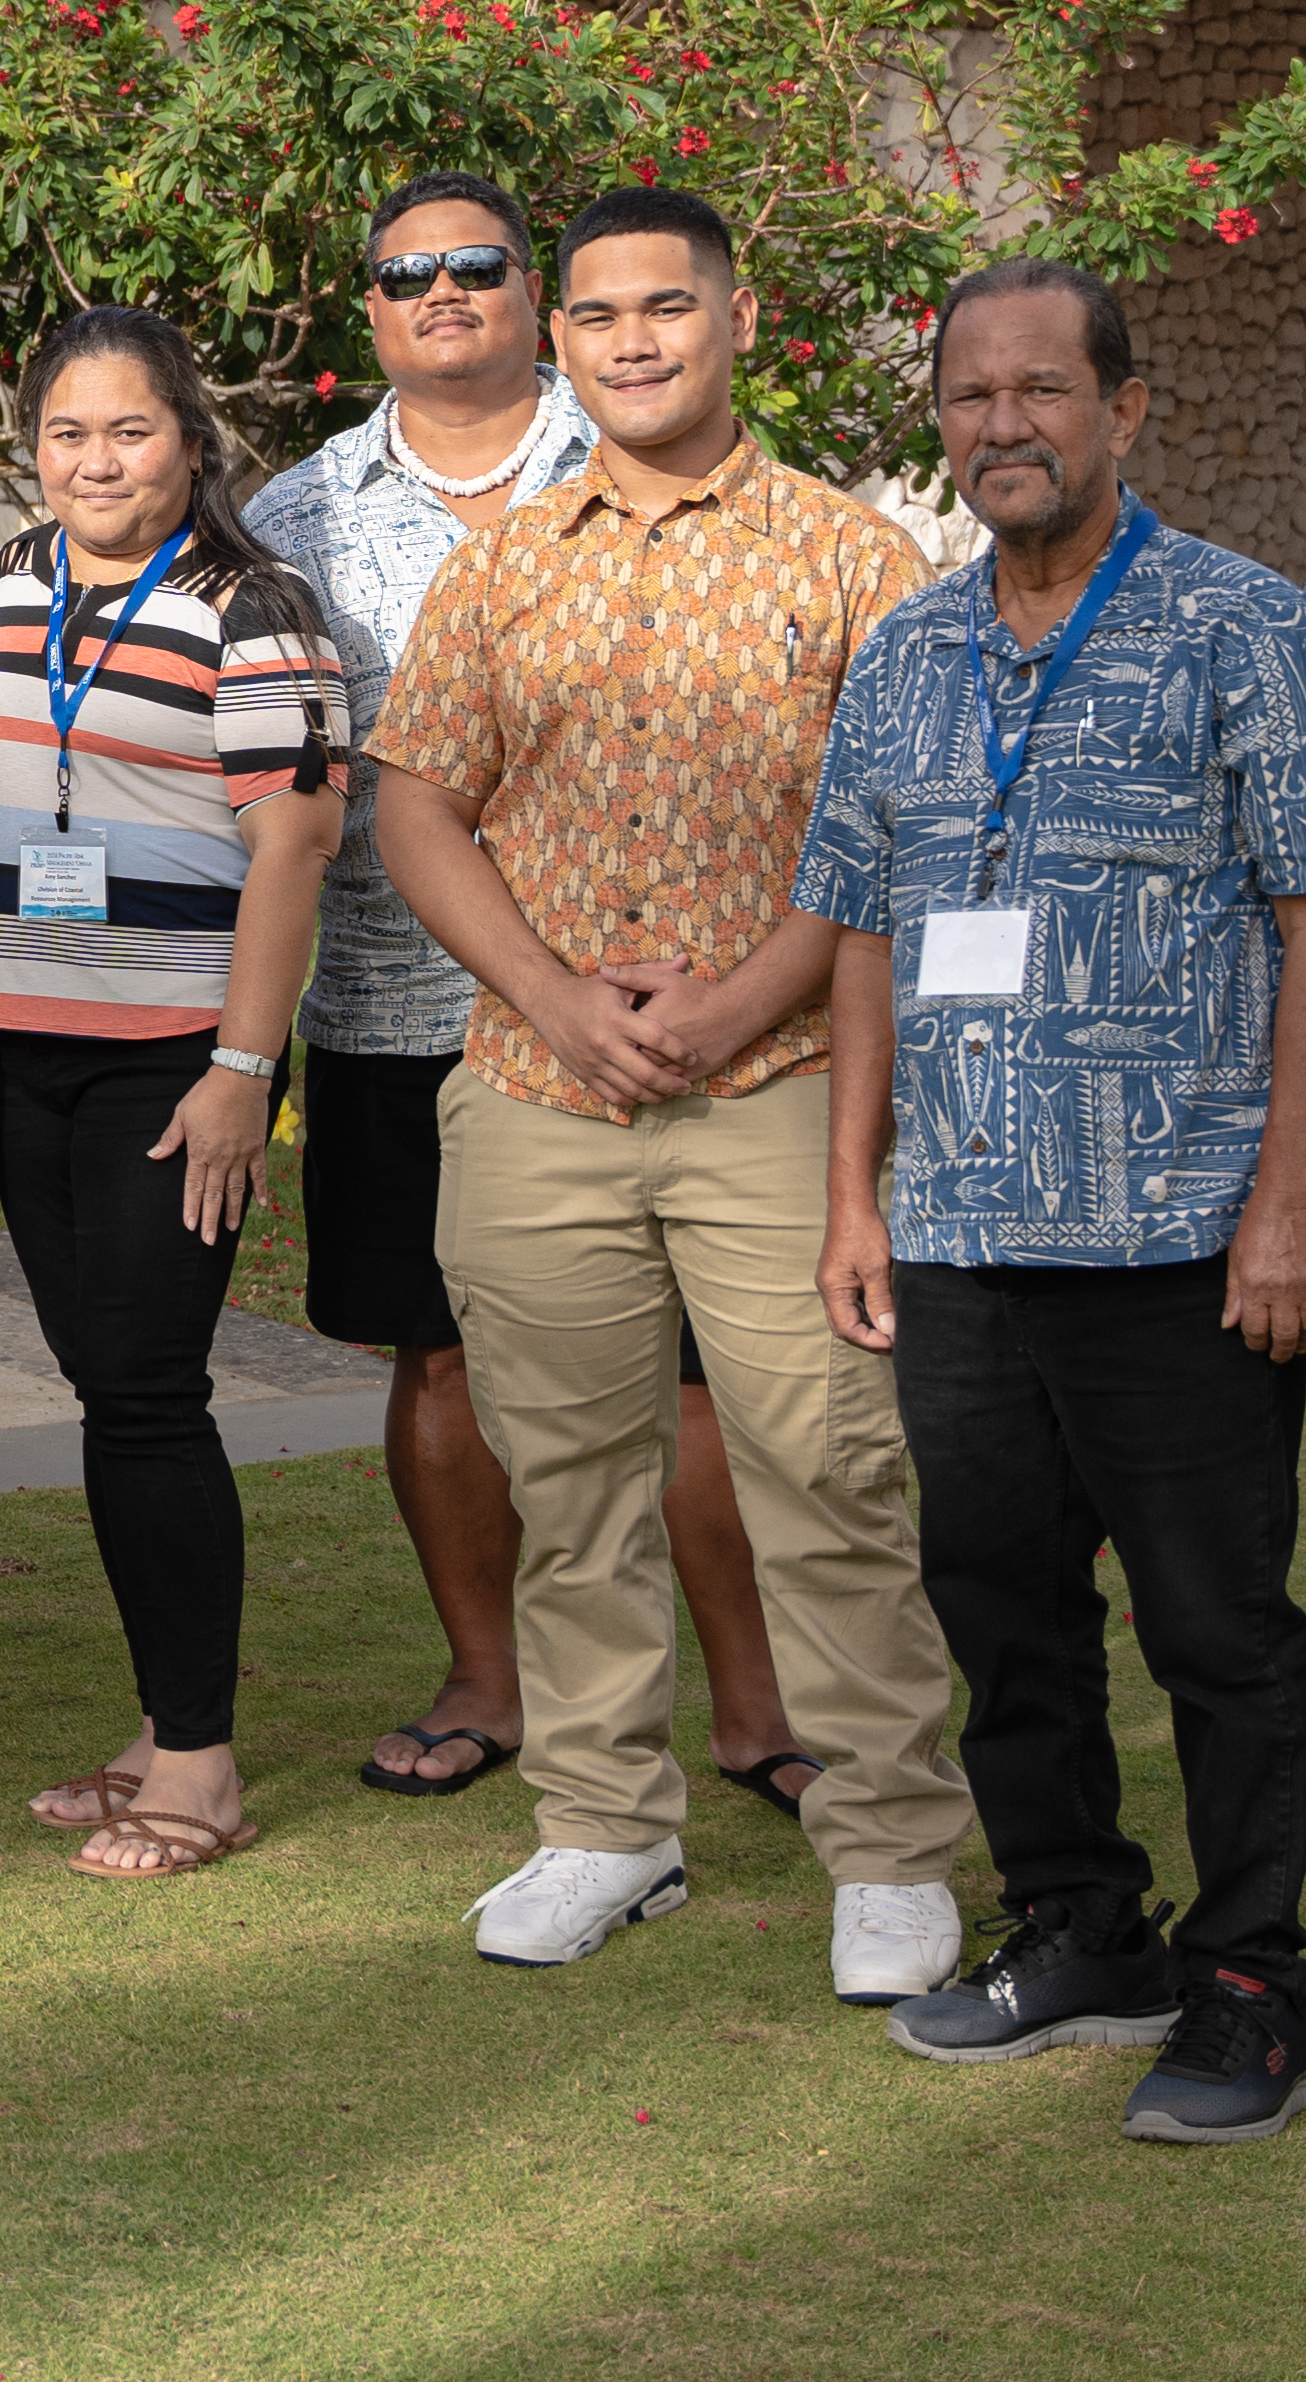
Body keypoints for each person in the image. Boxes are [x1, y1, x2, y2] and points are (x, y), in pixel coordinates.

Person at [356, 181, 973, 1999]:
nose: (634, 341)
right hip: (538, 1095)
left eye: (668, 310)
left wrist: (734, 1006)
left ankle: (889, 1848)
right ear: (562, 340)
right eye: (602, 316)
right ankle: (605, 1827)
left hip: (776, 1088)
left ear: (738, 318)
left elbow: (896, 836)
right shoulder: (507, 562)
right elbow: (416, 801)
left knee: (831, 1472)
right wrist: (551, 991)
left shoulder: (858, 562)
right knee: (571, 1484)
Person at [802, 262, 1306, 2145]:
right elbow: (871, 941)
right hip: (963, 1233)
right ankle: (1076, 1924)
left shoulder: (1246, 629)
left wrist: (1292, 1201)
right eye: (971, 397)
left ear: (1126, 410)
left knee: (1216, 1626)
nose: (1003, 428)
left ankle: (1247, 1985)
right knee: (1001, 1606)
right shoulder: (906, 652)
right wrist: (855, 1196)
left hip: (1184, 1235)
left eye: (1043, 391)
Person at [246, 172, 810, 1811]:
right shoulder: (299, 517)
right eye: (404, 271)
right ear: (369, 307)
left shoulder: (641, 456)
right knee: (439, 1362)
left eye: (477, 266)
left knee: (707, 1378)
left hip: (668, 1010)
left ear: (536, 302)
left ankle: (758, 1703)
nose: (442, 292)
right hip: (395, 1009)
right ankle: (489, 1679)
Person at [0, 308, 344, 1883]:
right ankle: (158, 1725)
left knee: (147, 1393)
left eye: (129, 430)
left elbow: (299, 848)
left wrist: (243, 1073)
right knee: (104, 1389)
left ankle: (201, 1764)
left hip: (171, 1069)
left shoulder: (255, 611)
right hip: (17, 1052)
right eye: (67, 432)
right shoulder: (8, 589)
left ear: (190, 439)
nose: (96, 460)